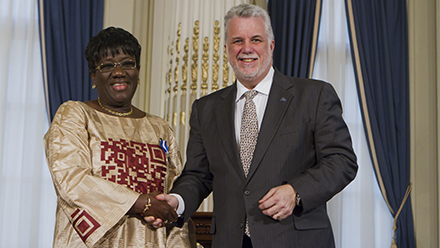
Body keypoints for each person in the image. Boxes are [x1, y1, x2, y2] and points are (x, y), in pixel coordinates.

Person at [149, 3, 359, 248]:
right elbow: (198, 175)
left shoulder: (314, 95)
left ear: (271, 45)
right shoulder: (205, 109)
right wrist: (177, 200)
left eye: (255, 39)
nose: (246, 49)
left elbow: (342, 160)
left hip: (296, 239)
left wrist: (296, 191)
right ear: (227, 49)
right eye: (237, 41)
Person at [44, 27, 196, 248]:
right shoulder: (75, 114)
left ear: (138, 71)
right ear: (93, 76)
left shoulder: (159, 128)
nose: (119, 72)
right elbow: (72, 179)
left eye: (127, 63)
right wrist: (141, 202)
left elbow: (172, 199)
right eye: (107, 66)